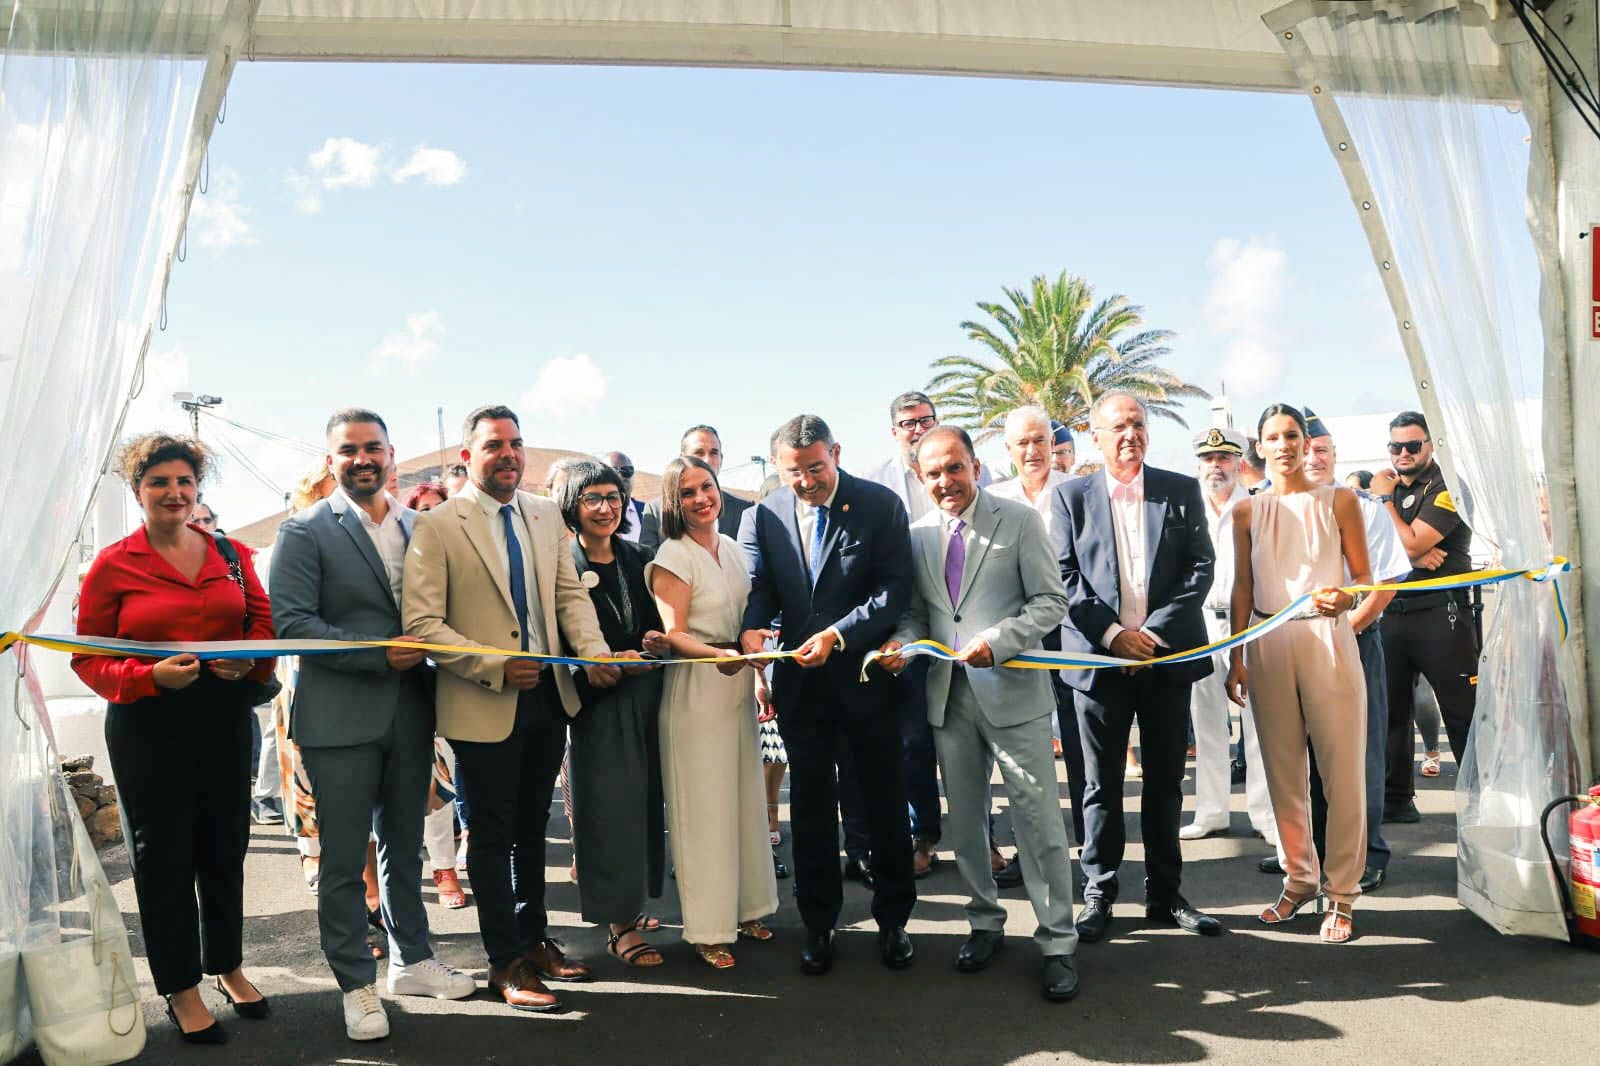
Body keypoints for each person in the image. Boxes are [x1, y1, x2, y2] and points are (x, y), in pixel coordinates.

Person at [402, 404, 623, 1012]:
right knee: (494, 835)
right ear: (467, 456)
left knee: (533, 830)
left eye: (516, 444)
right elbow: (423, 624)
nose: (509, 454)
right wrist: (493, 664)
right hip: (483, 703)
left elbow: (568, 595)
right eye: (494, 444)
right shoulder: (440, 525)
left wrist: (595, 653)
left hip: (549, 698)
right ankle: (505, 962)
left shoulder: (546, 514)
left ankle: (534, 941)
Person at [270, 409, 475, 1041]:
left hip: (412, 715)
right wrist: (377, 652)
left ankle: (412, 960)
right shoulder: (303, 531)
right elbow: (294, 626)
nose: (363, 458)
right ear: (330, 461)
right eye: (348, 450)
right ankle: (356, 984)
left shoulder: (423, 526)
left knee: (403, 845)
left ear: (392, 455)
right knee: (340, 860)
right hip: (339, 719)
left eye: (373, 448)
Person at [72, 433, 275, 1043]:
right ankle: (180, 987)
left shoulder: (232, 554)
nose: (174, 492)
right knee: (162, 859)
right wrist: (147, 677)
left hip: (223, 719)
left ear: (197, 490)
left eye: (184, 482)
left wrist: (250, 662)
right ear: (138, 491)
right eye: (159, 482)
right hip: (148, 726)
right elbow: (87, 656)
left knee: (223, 848)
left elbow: (260, 626)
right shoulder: (114, 564)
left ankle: (227, 966)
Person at [879, 426, 1079, 1001]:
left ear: (975, 465)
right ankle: (985, 923)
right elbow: (918, 615)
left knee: (1038, 823)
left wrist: (1002, 640)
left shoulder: (1019, 521)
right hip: (949, 699)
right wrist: (902, 644)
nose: (946, 481)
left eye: (955, 468)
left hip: (1014, 694)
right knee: (966, 822)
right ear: (921, 476)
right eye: (934, 472)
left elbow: (1051, 601)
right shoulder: (916, 537)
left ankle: (1057, 941)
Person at [739, 415, 916, 976]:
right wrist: (752, 627)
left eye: (816, 468)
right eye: (795, 473)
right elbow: (764, 585)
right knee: (811, 811)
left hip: (868, 684)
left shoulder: (880, 504)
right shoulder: (766, 513)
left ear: (836, 453)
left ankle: (894, 923)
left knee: (883, 805)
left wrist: (839, 635)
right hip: (802, 689)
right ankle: (819, 926)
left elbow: (894, 591)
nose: (808, 482)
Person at [1050, 390, 1220, 942]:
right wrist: (1112, 636)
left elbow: (1200, 568)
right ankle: (1098, 891)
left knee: (1167, 782)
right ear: (1094, 436)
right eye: (1119, 426)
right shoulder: (1070, 497)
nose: (1131, 434)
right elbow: (1064, 575)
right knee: (1099, 786)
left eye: (1139, 424)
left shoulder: (1179, 489)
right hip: (1098, 666)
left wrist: (1148, 635)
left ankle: (1165, 894)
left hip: (1165, 660)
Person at [1225, 404, 1372, 945]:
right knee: (1283, 775)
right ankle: (1299, 880)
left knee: (1342, 775)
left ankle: (1343, 893)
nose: (1283, 444)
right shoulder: (1245, 512)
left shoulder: (1340, 500)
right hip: (1265, 643)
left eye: (1292, 435)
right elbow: (1242, 586)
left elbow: (1365, 577)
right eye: (1273, 437)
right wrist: (1237, 657)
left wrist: (1346, 602)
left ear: (1307, 442)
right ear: (1258, 447)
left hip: (1327, 640)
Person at [647, 456, 778, 968]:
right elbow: (674, 632)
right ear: (673, 503)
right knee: (703, 813)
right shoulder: (671, 555)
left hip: (739, 686)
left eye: (707, 487)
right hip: (697, 689)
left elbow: (749, 622)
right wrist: (720, 656)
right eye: (688, 493)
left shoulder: (730, 547)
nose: (702, 498)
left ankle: (748, 910)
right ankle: (706, 929)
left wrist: (760, 674)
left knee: (742, 802)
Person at [557, 459, 674, 968]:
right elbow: (557, 639)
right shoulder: (559, 564)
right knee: (608, 814)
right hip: (597, 705)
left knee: (647, 809)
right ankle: (619, 927)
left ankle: (639, 906)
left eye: (613, 497)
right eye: (592, 499)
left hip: (648, 696)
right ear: (571, 506)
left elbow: (659, 627)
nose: (605, 508)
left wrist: (654, 643)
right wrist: (595, 667)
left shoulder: (641, 558)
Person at [1301, 409, 1411, 892]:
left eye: (1321, 450)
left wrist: (1347, 631)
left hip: (1354, 642)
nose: (1312, 458)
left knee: (1358, 756)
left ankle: (1366, 856)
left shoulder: (1364, 508)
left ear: (1334, 455)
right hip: (1296, 649)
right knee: (1303, 758)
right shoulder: (1274, 507)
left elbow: (1384, 585)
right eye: (1303, 449)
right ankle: (1314, 854)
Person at [857, 391, 956, 881]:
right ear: (893, 430)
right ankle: (923, 838)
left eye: (926, 420)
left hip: (961, 633)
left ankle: (985, 839)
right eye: (908, 422)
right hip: (904, 633)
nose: (918, 428)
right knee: (913, 742)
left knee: (966, 742)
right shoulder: (874, 487)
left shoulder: (961, 474)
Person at [1369, 411, 1477, 825]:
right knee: (1392, 711)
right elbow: (1372, 544)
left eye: (1412, 446)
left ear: (1429, 446)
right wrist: (1410, 550)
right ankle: (1397, 798)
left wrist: (1387, 512)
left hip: (1441, 613)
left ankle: (1477, 802)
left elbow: (1411, 541)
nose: (1403, 454)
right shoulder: (1387, 489)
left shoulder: (1447, 487)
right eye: (1395, 447)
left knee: (1460, 711)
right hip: (1393, 612)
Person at [987, 406, 1087, 851]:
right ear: (1009, 449)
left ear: (1054, 444)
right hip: (1015, 637)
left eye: (1039, 441)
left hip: (1073, 633)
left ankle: (1090, 844)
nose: (1032, 451)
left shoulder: (1080, 491)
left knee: (1080, 738)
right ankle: (1030, 847)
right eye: (1022, 443)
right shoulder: (993, 499)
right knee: (1021, 748)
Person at [1181, 426, 1276, 846]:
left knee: (1259, 721)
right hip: (1200, 623)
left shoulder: (1260, 507)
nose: (1215, 466)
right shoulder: (1185, 510)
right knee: (1206, 722)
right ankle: (1211, 811)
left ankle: (1265, 814)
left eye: (1223, 459)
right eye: (1207, 459)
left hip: (1251, 622)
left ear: (1240, 463)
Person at [401, 481, 466, 907]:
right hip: (413, 677)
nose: (431, 514)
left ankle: (455, 859)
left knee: (452, 779)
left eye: (438, 506)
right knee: (426, 781)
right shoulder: (405, 556)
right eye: (422, 508)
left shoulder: (463, 553)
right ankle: (433, 870)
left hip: (460, 676)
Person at [640, 424, 753, 548]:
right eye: (699, 453)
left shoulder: (744, 510)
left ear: (721, 459)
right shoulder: (656, 510)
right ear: (682, 458)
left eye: (714, 453)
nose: (707, 460)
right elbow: (648, 560)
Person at [603, 450, 647, 542]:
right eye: (613, 471)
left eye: (627, 471)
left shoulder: (648, 512)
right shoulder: (594, 514)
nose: (621, 476)